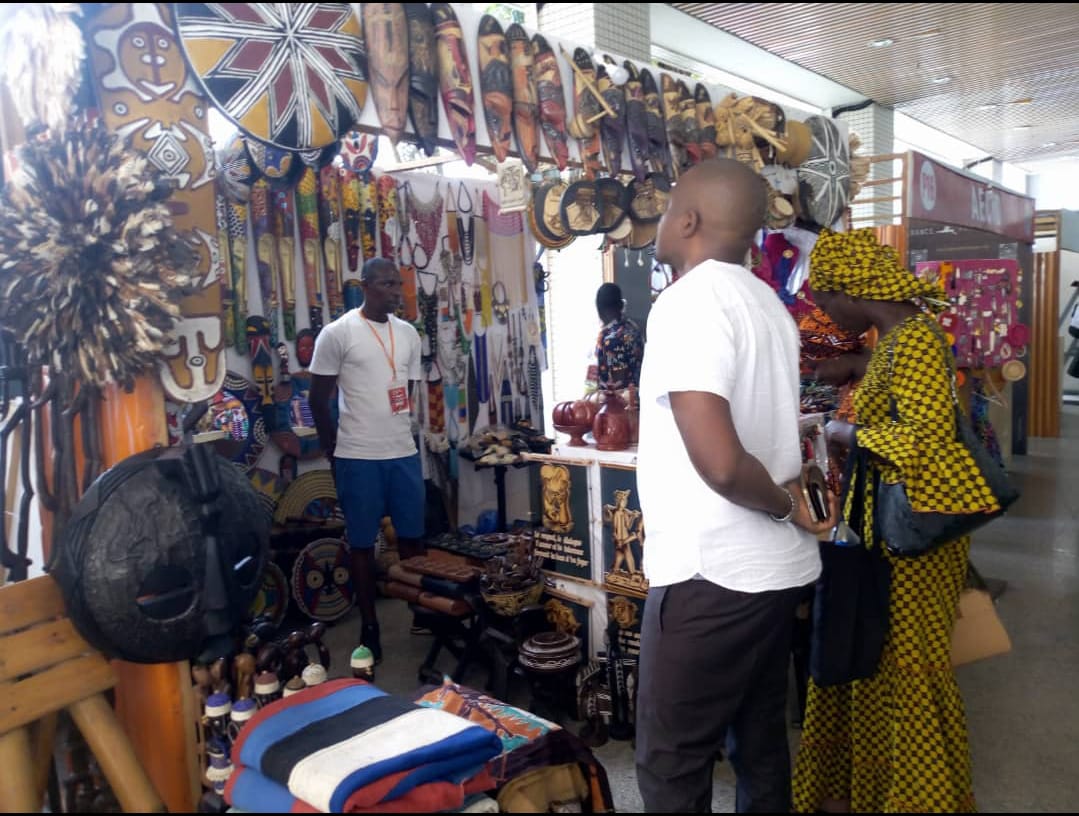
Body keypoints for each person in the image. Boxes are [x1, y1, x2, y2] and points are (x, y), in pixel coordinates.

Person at [634, 158, 836, 813]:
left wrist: (787, 508)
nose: (661, 221)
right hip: (770, 578)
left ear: (687, 220)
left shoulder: (687, 303)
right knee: (759, 747)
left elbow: (719, 463)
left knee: (670, 764)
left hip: (710, 575)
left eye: (667, 209)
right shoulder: (765, 303)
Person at [791, 228, 989, 813]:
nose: (822, 310)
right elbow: (906, 383)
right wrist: (859, 363)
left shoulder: (917, 340)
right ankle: (874, 791)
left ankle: (919, 798)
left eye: (824, 297)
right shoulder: (901, 338)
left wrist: (843, 431)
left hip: (916, 537)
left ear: (851, 289)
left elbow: (926, 439)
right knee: (877, 655)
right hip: (892, 526)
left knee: (906, 664)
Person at [309, 257, 425, 663]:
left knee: (412, 537)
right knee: (361, 544)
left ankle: (420, 611)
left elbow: (405, 393)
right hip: (357, 456)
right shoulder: (337, 334)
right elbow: (317, 401)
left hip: (403, 452)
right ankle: (370, 624)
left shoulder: (409, 334)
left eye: (398, 284)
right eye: (387, 285)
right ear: (364, 286)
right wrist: (333, 449)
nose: (396, 291)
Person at [585, 282, 645, 393]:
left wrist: (588, 396)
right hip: (638, 397)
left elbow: (615, 382)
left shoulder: (609, 338)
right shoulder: (633, 327)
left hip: (617, 403)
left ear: (601, 310)